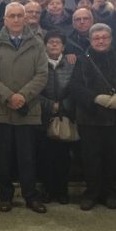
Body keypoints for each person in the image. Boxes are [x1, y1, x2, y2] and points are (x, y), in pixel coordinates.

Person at [0, 2, 48, 214]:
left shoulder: (37, 44)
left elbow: (42, 75)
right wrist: (9, 96)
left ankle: (30, 195)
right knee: (3, 158)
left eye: (20, 15)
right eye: (12, 16)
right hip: (2, 110)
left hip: (27, 109)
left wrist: (23, 96)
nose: (17, 19)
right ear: (6, 19)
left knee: (27, 156)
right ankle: (5, 195)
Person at [68, 23, 116, 211]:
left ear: (111, 39)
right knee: (90, 158)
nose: (100, 41)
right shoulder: (82, 60)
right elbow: (74, 87)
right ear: (90, 40)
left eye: (104, 37)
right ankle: (91, 193)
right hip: (90, 117)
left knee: (112, 157)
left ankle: (109, 193)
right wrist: (95, 98)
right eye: (96, 38)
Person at [37, 31, 75, 205]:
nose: (54, 45)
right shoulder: (38, 63)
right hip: (43, 117)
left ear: (63, 46)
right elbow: (34, 90)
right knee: (45, 156)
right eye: (50, 42)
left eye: (57, 42)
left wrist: (63, 105)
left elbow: (77, 88)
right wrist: (49, 105)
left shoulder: (72, 63)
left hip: (65, 117)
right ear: (45, 45)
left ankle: (62, 191)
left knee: (63, 157)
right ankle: (48, 190)